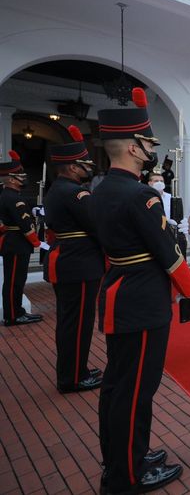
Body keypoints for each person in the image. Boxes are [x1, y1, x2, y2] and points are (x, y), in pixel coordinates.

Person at [93, 88, 190, 493]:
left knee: (119, 385)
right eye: (147, 144)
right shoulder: (140, 195)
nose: (151, 151)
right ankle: (127, 474)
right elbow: (168, 251)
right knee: (135, 391)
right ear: (132, 148)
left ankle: (126, 455)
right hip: (142, 301)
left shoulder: (103, 189)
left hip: (122, 293)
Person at [43, 125, 103, 392]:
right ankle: (73, 378)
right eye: (83, 165)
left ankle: (76, 369)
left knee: (73, 322)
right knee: (77, 324)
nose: (87, 169)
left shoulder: (60, 189)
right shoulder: (75, 192)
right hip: (79, 264)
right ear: (71, 167)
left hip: (71, 260)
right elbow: (97, 224)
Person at [0, 150, 45, 326]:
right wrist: (37, 242)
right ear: (11, 179)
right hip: (17, 243)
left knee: (17, 280)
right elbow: (25, 225)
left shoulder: (10, 196)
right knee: (14, 282)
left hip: (14, 242)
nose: (23, 178)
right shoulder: (12, 198)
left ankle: (17, 311)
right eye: (20, 176)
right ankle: (13, 315)